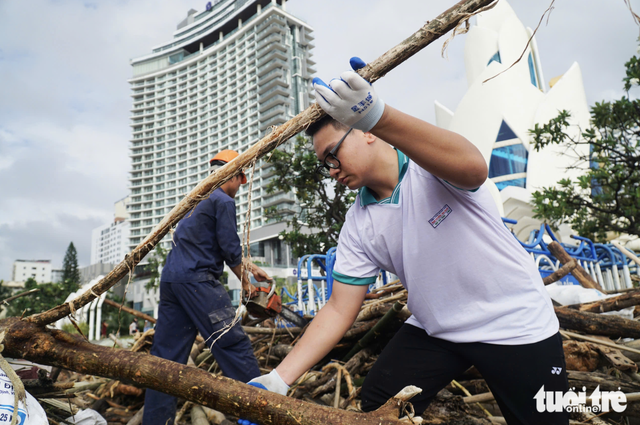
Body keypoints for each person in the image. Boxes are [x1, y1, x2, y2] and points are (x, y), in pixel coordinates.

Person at [247, 58, 569, 424]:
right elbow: (339, 309)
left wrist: (379, 115)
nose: (332, 171)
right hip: (439, 328)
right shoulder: (359, 223)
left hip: (514, 323)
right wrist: (279, 378)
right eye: (325, 165)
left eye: (333, 156)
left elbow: (474, 167)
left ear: (365, 130)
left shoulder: (428, 168)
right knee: (377, 406)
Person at [143, 150, 270, 425]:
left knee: (165, 360)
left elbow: (211, 245)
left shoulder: (195, 201)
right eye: (240, 181)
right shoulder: (223, 200)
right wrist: (246, 284)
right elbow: (229, 247)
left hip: (173, 280)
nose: (239, 188)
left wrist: (248, 266)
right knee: (233, 344)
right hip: (198, 282)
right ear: (233, 175)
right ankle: (263, 415)